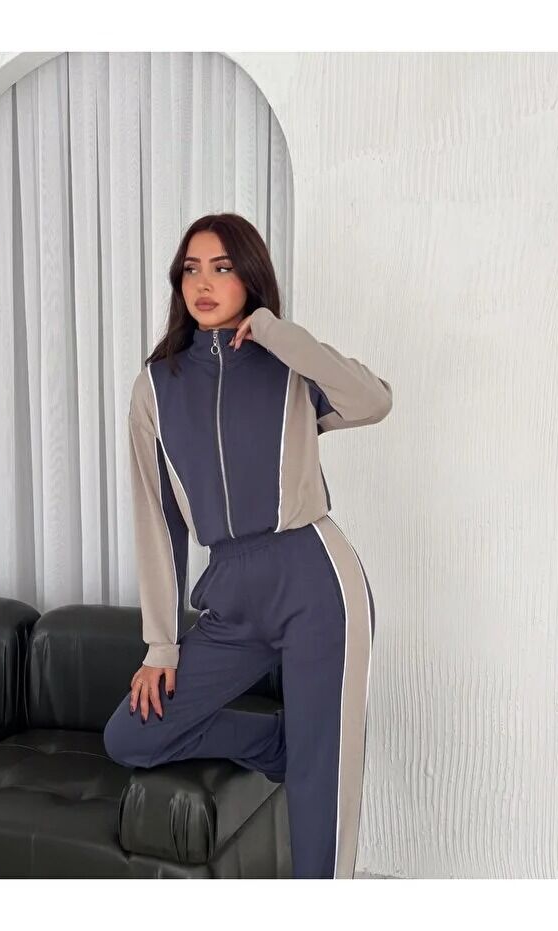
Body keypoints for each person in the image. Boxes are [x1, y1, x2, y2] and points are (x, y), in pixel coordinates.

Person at [103, 212, 393, 879]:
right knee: (133, 734)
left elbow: (372, 400)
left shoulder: (287, 366)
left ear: (250, 277)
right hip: (232, 593)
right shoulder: (156, 387)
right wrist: (160, 644)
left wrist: (274, 330)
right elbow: (157, 521)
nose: (203, 283)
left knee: (323, 795)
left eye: (222, 267)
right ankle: (290, 745)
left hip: (314, 577)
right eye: (191, 269)